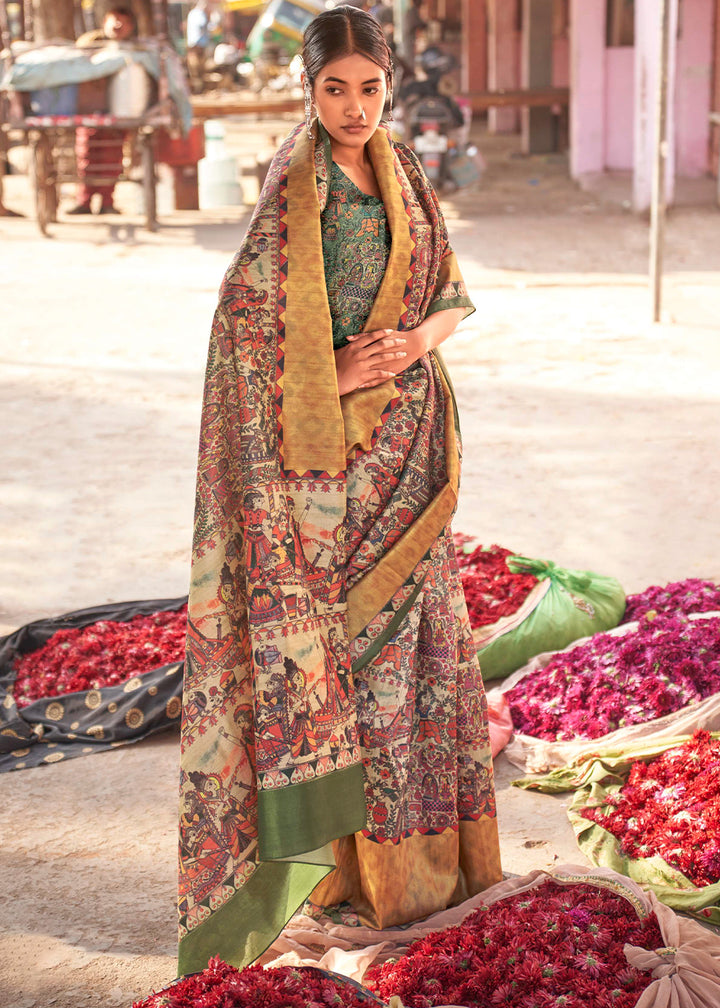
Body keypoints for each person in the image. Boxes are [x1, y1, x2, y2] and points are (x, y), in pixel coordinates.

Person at [178, 4, 501, 975]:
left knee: (424, 648)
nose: (355, 107)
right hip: (332, 471)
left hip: (414, 447)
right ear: (307, 90)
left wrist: (414, 345)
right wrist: (338, 375)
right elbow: (244, 327)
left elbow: (448, 292)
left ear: (389, 84)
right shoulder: (296, 183)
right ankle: (356, 875)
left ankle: (434, 873)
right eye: (335, 89)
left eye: (369, 88)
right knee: (354, 665)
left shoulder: (402, 168)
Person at [67, 6, 138, 215]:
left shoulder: (135, 49)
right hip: (90, 109)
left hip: (118, 111)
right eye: (114, 20)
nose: (117, 25)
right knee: (86, 154)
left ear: (131, 27)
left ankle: (107, 202)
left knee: (112, 156)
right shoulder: (90, 43)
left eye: (123, 22)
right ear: (105, 22)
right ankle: (84, 201)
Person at [185, 0, 211, 93]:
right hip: (197, 45)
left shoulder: (192, 13)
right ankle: (198, 89)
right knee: (197, 68)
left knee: (197, 69)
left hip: (195, 44)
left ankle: (199, 89)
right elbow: (202, 25)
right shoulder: (199, 14)